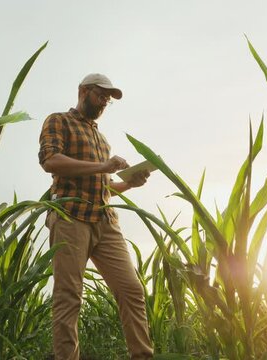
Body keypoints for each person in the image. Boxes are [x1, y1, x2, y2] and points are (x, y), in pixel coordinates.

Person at [38, 73, 154, 360]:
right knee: (69, 297)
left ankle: (142, 356)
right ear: (83, 91)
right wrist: (103, 166)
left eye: (108, 99)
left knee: (131, 290)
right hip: (70, 218)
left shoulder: (102, 140)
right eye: (101, 95)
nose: (104, 102)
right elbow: (50, 161)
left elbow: (103, 186)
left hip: (106, 223)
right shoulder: (58, 121)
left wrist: (129, 183)